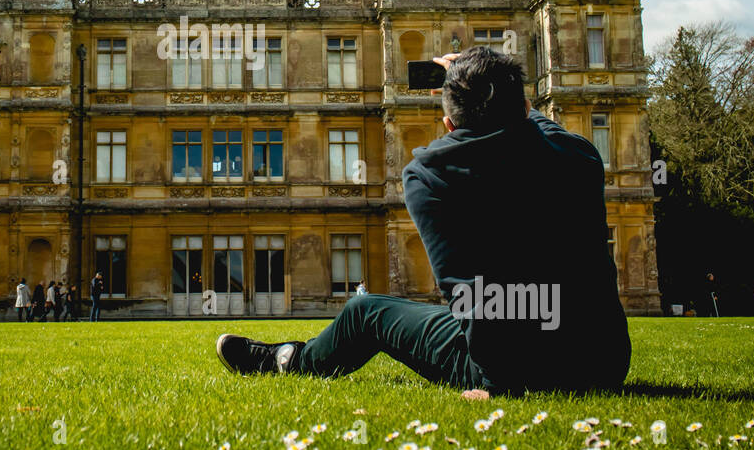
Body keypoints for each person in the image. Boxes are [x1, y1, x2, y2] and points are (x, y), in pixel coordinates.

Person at [214, 47, 631, 398]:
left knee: (364, 312)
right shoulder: (581, 154)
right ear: (523, 105)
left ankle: (288, 360)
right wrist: (483, 85)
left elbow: (469, 294)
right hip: (604, 361)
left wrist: (498, 382)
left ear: (449, 123)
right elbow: (536, 126)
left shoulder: (430, 174)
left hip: (521, 369)